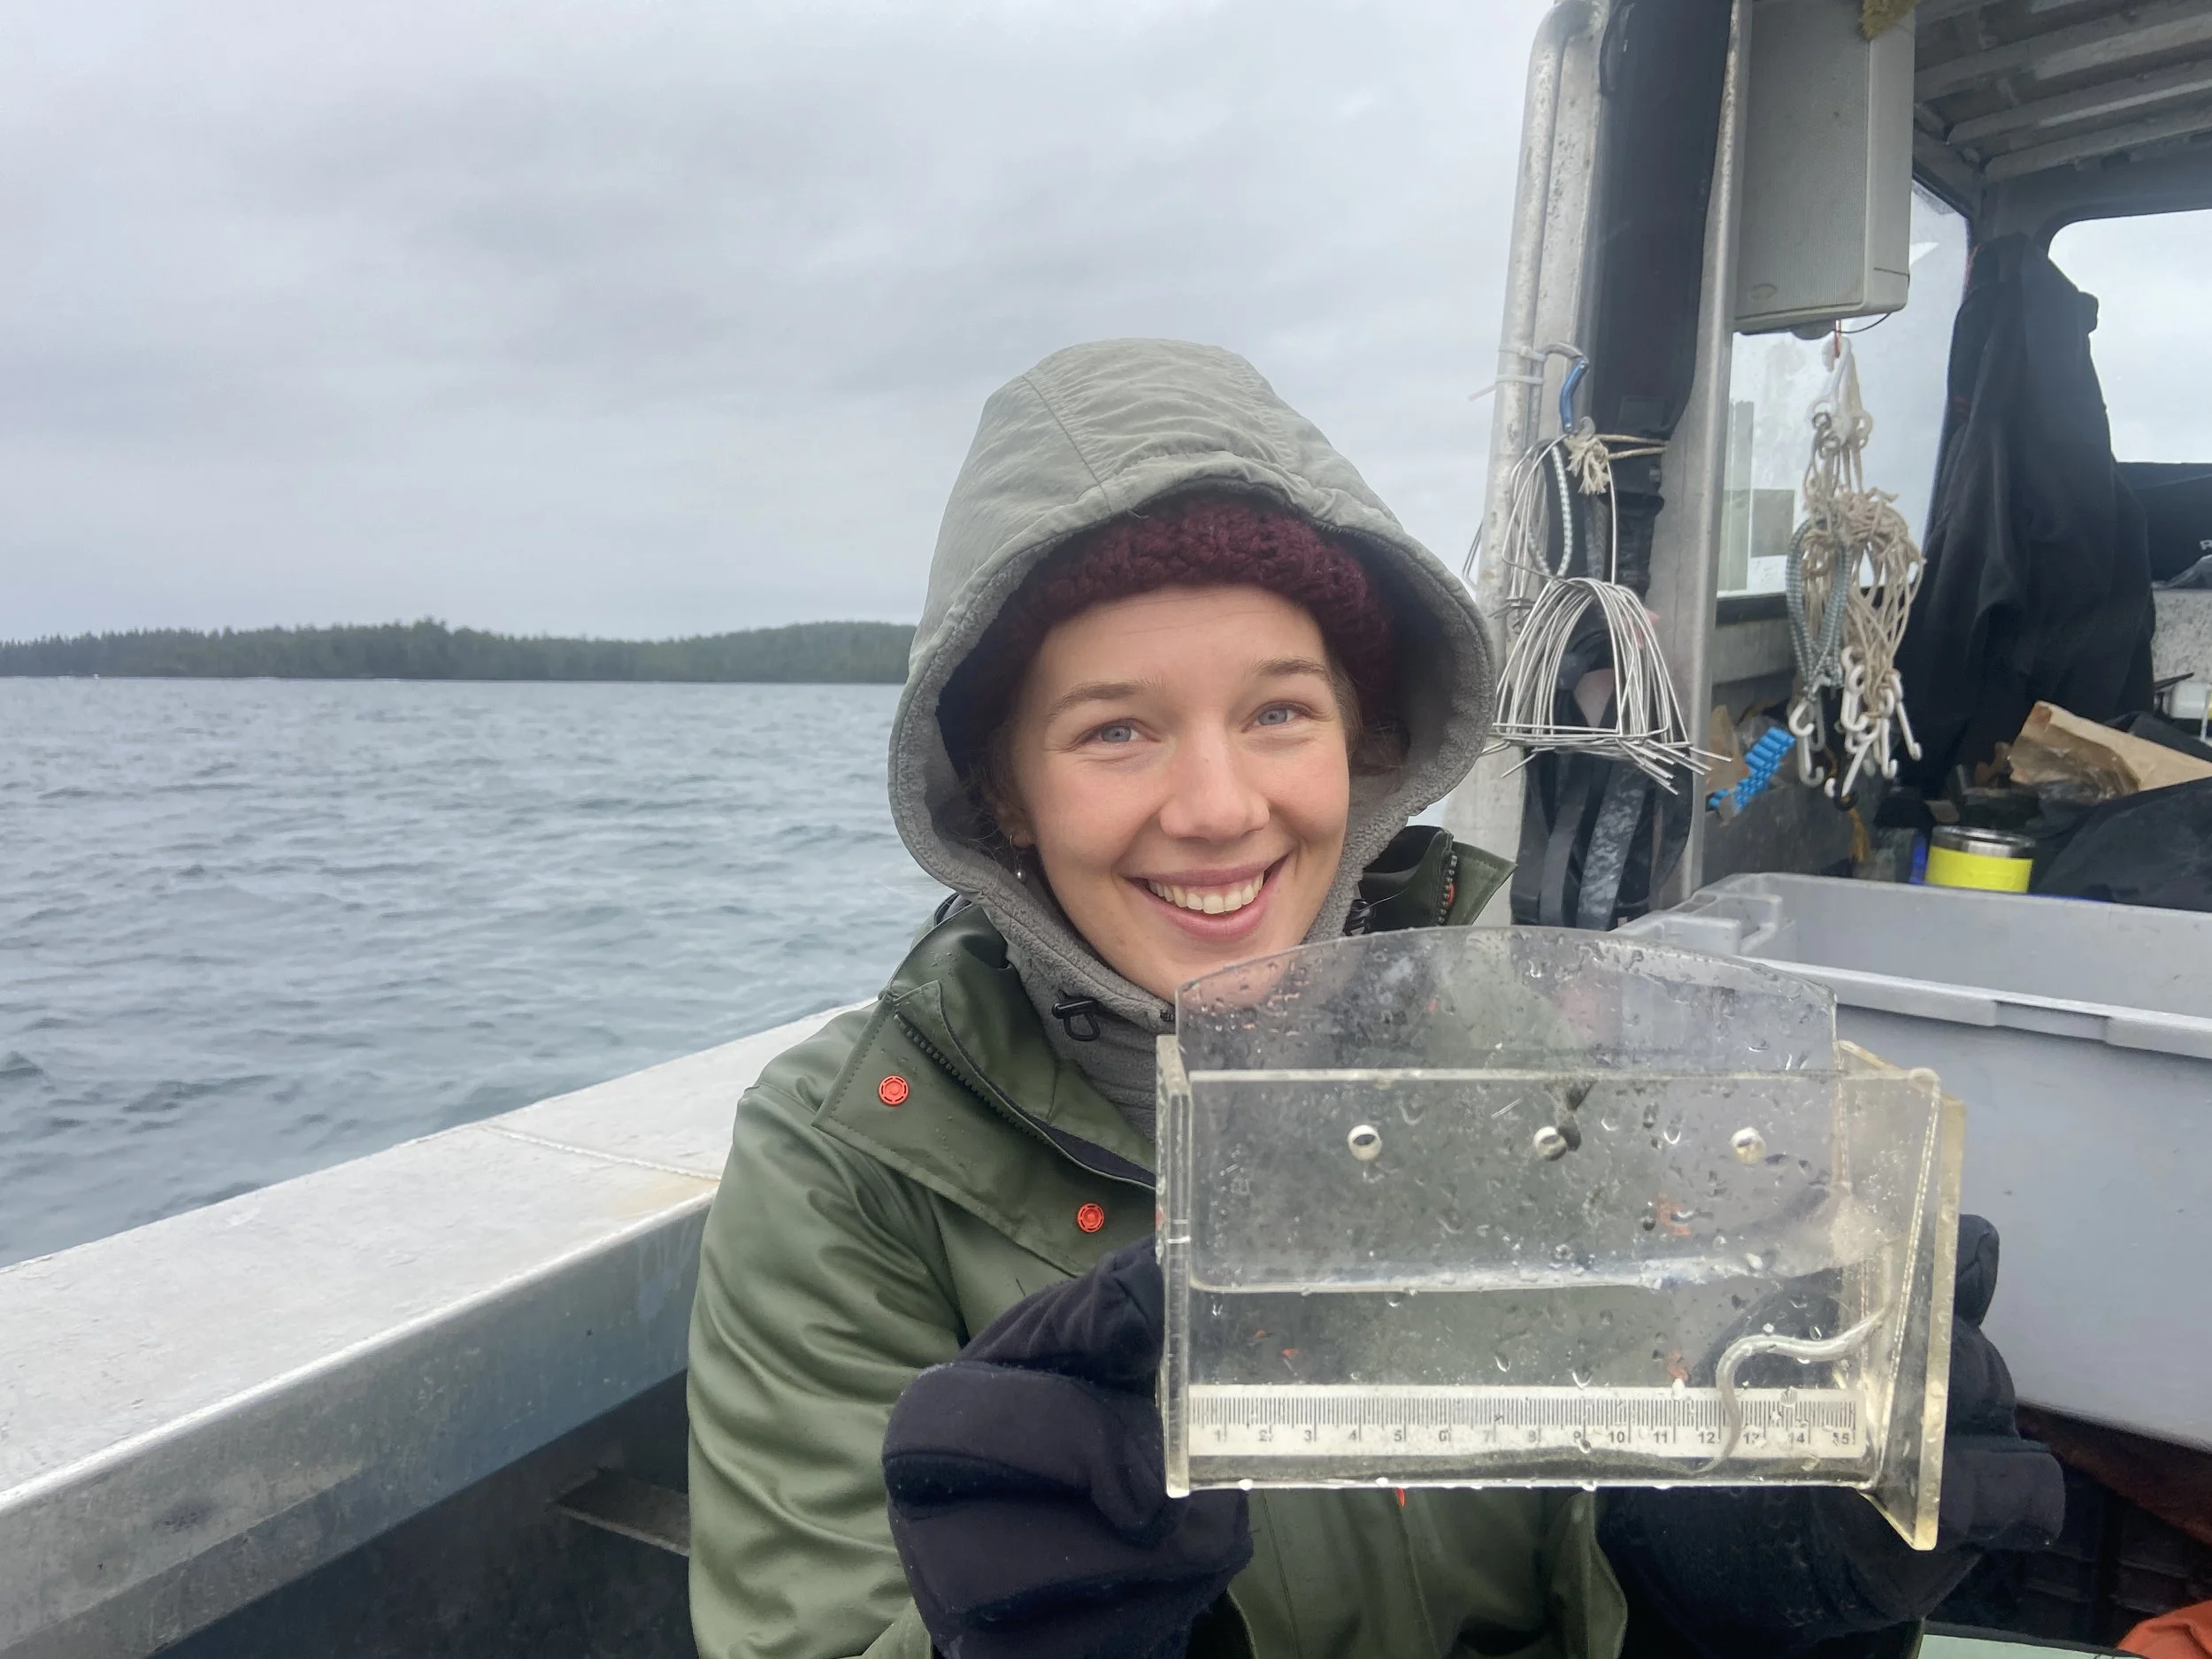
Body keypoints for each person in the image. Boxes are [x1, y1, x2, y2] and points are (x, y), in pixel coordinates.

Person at [687, 339, 2062, 1659]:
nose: (1221, 808)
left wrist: (1747, 1597)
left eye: (1280, 710)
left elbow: (1628, 1541)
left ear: (1364, 731)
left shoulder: (1543, 1062)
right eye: (1116, 729)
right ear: (1002, 788)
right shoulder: (848, 1165)